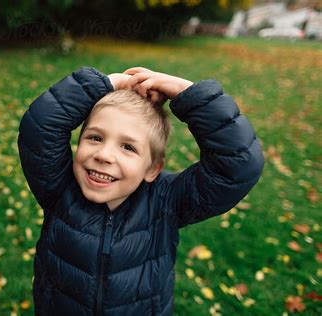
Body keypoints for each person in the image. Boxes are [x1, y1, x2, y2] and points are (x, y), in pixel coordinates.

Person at [17, 66, 264, 315]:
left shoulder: (166, 201)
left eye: (128, 147)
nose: (104, 155)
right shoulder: (60, 188)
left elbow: (237, 165)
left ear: (152, 169)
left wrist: (185, 93)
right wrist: (107, 84)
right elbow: (40, 128)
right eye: (95, 138)